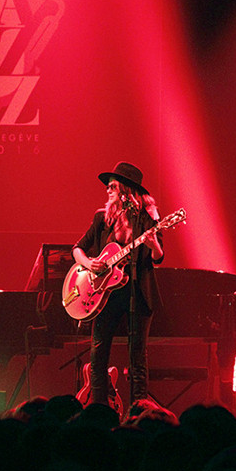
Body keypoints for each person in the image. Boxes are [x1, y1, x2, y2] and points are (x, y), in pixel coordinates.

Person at [72, 162, 164, 406]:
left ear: (126, 190)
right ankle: (99, 409)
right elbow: (77, 249)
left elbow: (158, 258)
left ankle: (138, 411)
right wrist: (90, 264)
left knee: (138, 358)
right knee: (98, 353)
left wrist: (153, 242)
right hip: (105, 295)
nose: (108, 190)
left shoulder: (148, 219)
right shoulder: (102, 218)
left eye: (112, 186)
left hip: (137, 292)